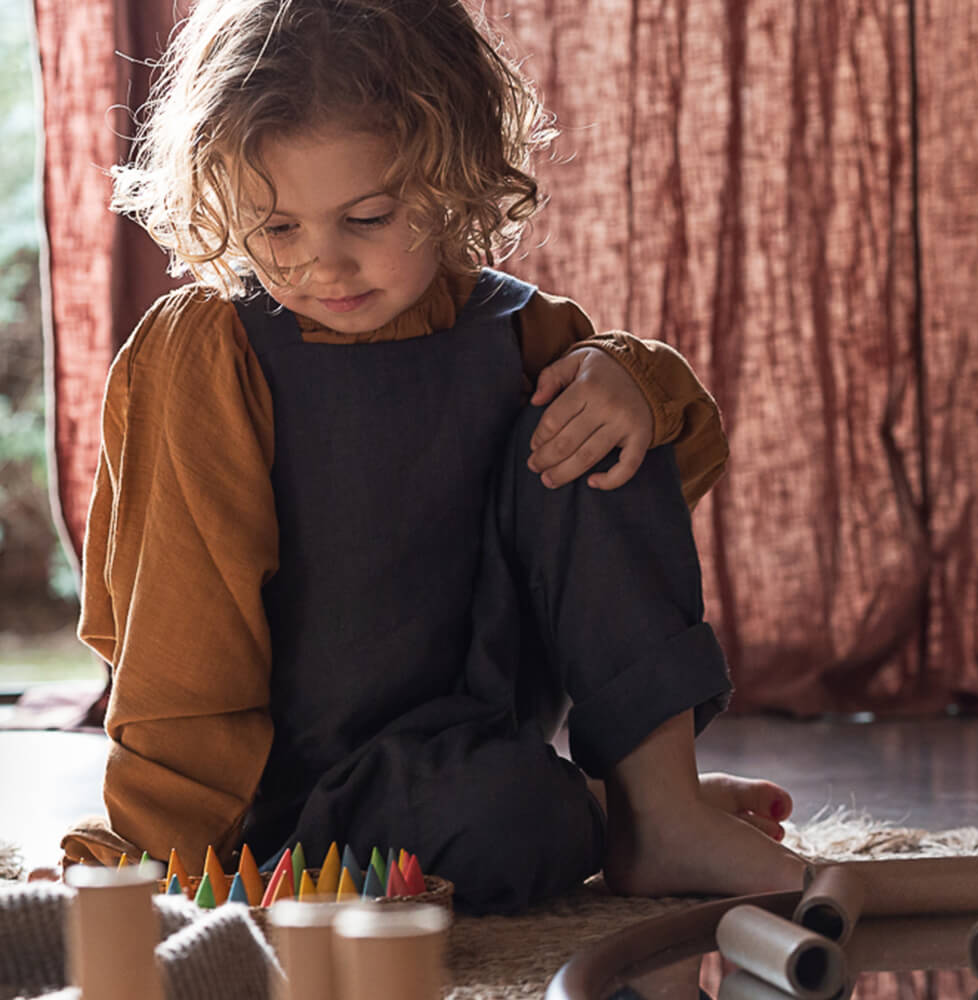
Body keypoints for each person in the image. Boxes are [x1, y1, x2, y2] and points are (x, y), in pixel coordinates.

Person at [63, 0, 806, 912]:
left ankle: (658, 809)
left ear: (450, 176)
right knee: (524, 821)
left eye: (367, 218)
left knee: (599, 403)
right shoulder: (212, 350)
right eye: (277, 227)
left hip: (471, 741)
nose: (321, 267)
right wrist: (157, 865)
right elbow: (178, 635)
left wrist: (632, 381)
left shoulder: (527, 331)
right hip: (300, 804)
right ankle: (610, 815)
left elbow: (643, 521)